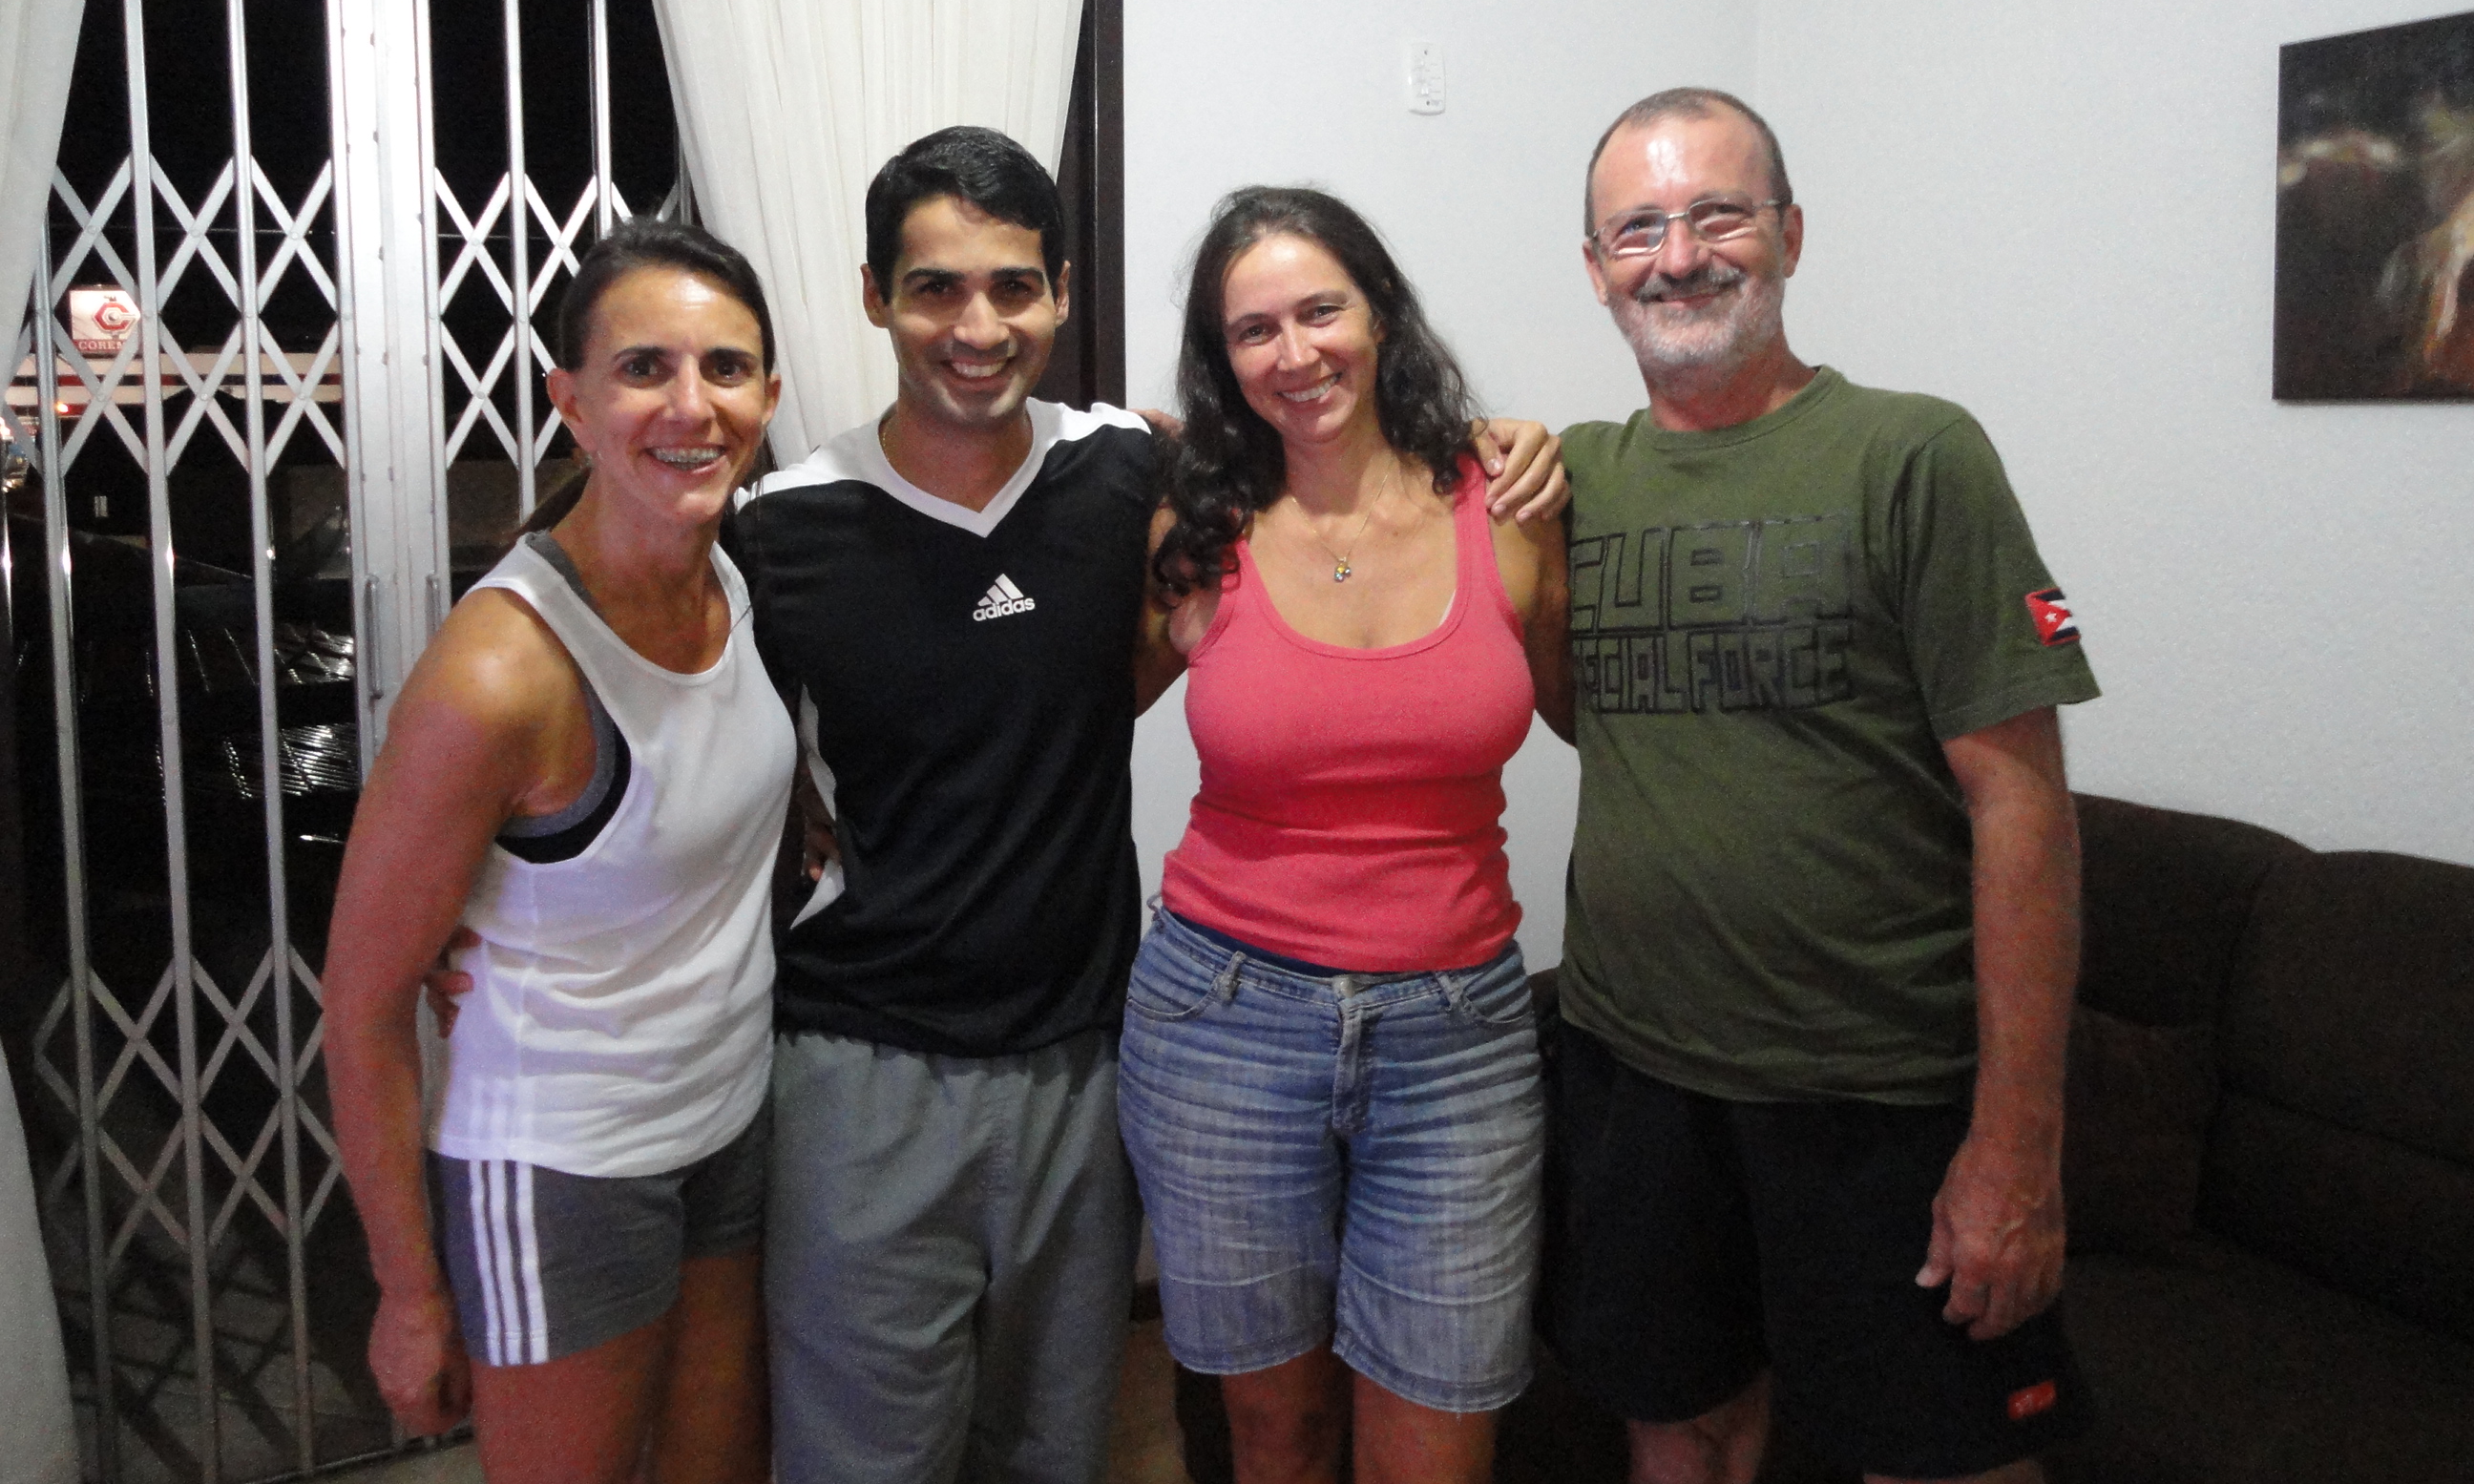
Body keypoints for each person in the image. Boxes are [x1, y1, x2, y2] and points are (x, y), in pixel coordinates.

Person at [734, 128, 1566, 1484]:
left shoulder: (1138, 473)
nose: (978, 327)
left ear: (1061, 293)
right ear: (875, 296)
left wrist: (1518, 441)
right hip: (983, 1044)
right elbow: (710, 750)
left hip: (1178, 1042)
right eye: (936, 288)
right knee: (892, 1450)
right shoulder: (791, 526)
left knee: (1084, 1440)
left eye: (1014, 286)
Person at [1545, 89, 2101, 1484]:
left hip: (1877, 1095)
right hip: (1633, 1075)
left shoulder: (1915, 454)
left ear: (1789, 234)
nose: (1680, 257)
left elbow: (2025, 810)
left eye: (1718, 215)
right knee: (1682, 1430)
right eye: (1638, 229)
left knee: (1942, 1460)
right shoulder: (1571, 483)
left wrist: (2017, 1145)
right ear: (1596, 267)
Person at [326, 220, 794, 1484]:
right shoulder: (500, 674)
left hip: (727, 1124)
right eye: (644, 368)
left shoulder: (736, 578)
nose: (691, 405)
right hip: (561, 1163)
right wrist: (409, 1294)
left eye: (726, 367)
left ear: (767, 396)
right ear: (571, 403)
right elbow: (362, 1007)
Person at [1121, 187, 1570, 1484]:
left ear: (1381, 315)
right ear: (1222, 360)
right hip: (1222, 1022)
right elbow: (1059, 712)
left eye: (1321, 311)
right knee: (1277, 1439)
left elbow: (1596, 719)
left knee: (1439, 1435)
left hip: (1459, 1039)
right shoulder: (1197, 531)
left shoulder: (1508, 499)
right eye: (1253, 330)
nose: (1295, 352)